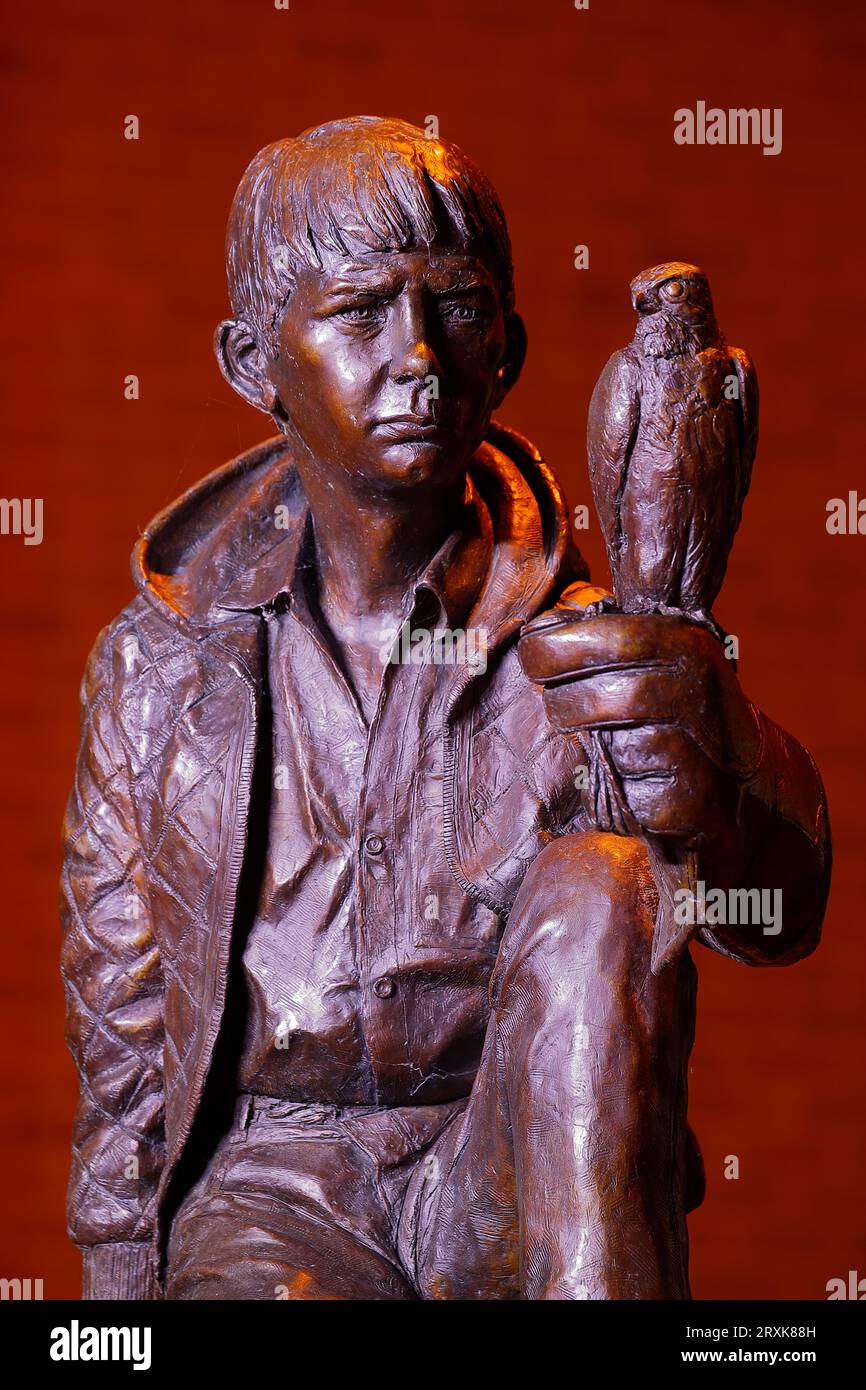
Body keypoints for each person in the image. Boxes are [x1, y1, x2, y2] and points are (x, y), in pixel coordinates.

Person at [60, 116, 830, 1300]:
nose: (417, 353)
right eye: (359, 310)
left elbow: (773, 916)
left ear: (508, 350)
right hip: (274, 1186)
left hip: (520, 1157)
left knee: (607, 884)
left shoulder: (585, 650)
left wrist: (719, 763)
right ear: (250, 360)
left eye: (457, 309)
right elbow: (120, 1006)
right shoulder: (159, 669)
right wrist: (118, 1279)